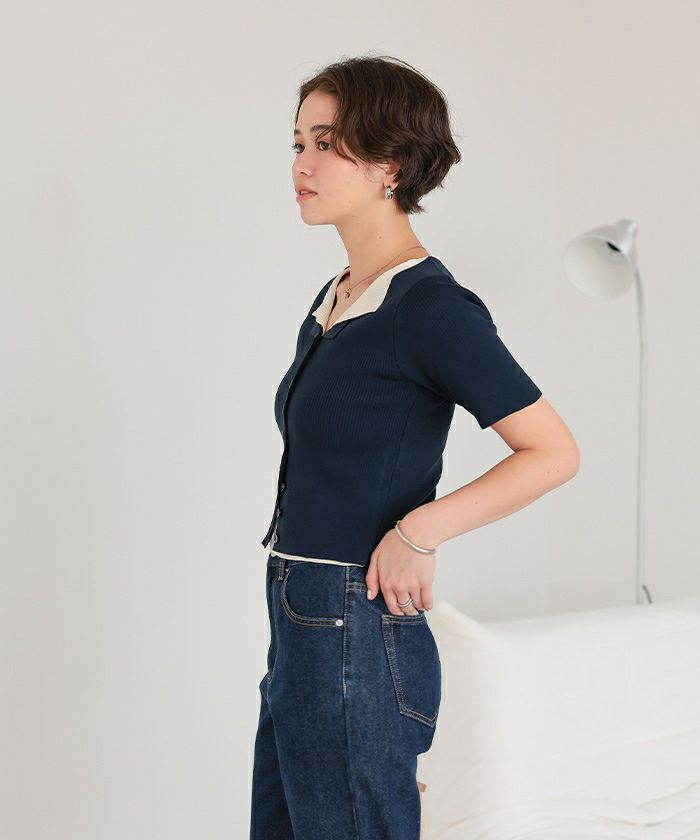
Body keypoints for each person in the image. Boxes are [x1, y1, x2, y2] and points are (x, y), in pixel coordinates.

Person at [250, 54, 580, 840]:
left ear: (389, 165)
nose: (301, 164)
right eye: (297, 143)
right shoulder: (337, 300)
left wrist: (419, 530)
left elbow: (552, 451)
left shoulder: (430, 307)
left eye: (325, 144)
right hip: (300, 613)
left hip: (351, 621)